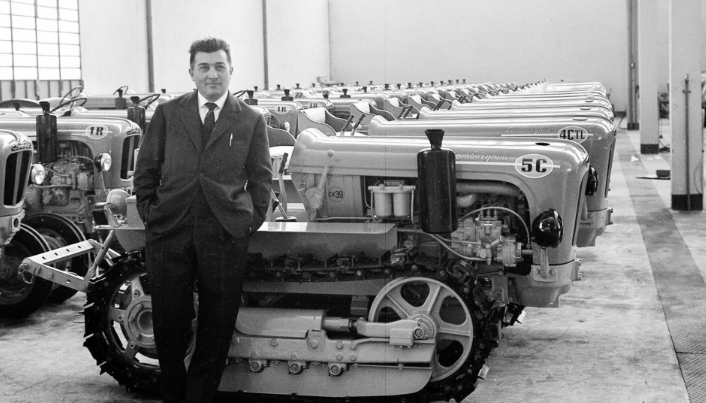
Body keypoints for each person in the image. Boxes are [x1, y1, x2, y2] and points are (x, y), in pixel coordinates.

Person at [134, 37, 272, 403]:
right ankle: (173, 393)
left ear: (231, 70)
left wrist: (248, 222)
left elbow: (261, 179)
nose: (212, 74)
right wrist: (151, 214)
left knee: (217, 323)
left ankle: (200, 397)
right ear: (192, 73)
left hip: (225, 232)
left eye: (219, 67)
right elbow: (146, 170)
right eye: (204, 67)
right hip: (169, 229)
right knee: (168, 321)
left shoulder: (251, 119)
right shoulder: (167, 113)